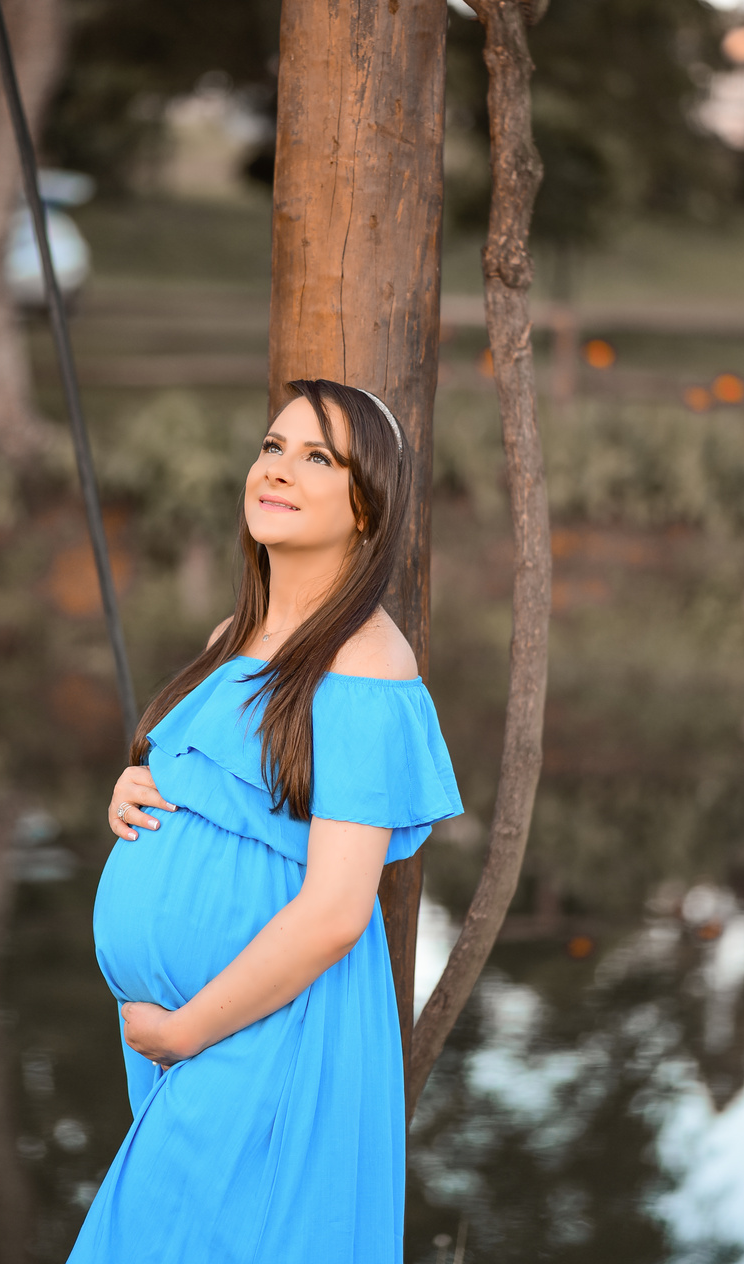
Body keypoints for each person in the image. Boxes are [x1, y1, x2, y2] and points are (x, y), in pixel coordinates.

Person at [67, 378, 462, 1264]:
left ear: (367, 506)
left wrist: (185, 1031)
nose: (277, 470)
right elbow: (227, 795)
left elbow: (336, 911)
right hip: (198, 1040)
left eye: (317, 458)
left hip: (269, 1036)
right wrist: (135, 790)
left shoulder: (366, 664)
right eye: (272, 447)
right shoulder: (230, 639)